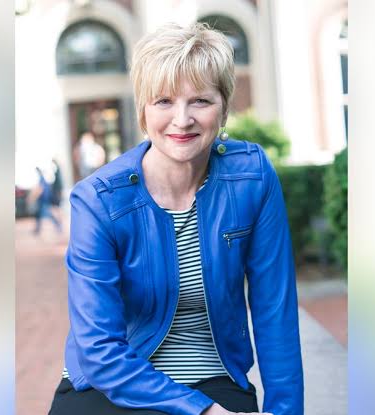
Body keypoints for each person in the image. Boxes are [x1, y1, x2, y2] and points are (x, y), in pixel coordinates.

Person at [50, 23, 303, 415]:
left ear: (224, 108)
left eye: (200, 100)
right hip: (113, 379)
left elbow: (275, 311)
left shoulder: (251, 178)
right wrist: (204, 412)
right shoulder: (98, 200)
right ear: (143, 110)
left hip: (212, 374)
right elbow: (100, 350)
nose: (182, 120)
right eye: (164, 101)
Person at [31, 166, 62, 236]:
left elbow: (40, 190)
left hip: (43, 200)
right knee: (38, 215)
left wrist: (34, 197)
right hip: (43, 199)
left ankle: (58, 225)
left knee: (47, 214)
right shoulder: (43, 179)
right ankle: (37, 229)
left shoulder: (41, 179)